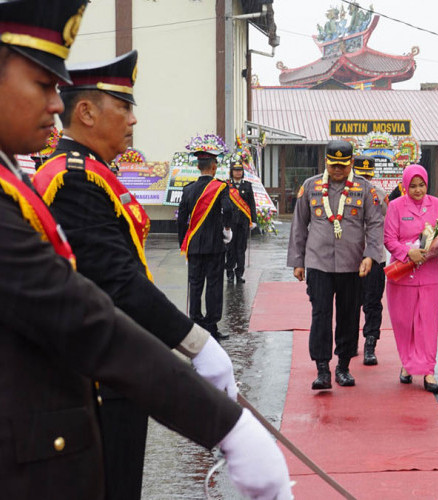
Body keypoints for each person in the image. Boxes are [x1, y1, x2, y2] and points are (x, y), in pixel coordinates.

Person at [0, 1, 290, 498]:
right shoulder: (69, 179)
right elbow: (101, 294)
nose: (55, 103)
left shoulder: (36, 176)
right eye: (44, 85)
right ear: (88, 113)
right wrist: (218, 411)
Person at [30, 50, 243, 499]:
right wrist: (197, 343)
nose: (133, 120)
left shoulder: (89, 172)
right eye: (124, 107)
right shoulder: (72, 180)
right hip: (96, 378)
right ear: (86, 112)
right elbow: (119, 282)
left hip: (112, 368)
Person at [287, 140, 384, 390]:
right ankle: (322, 369)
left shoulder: (364, 189)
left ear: (351, 162)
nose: (338, 169)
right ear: (326, 162)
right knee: (320, 314)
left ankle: (343, 367)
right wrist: (298, 261)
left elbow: (375, 225)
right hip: (318, 262)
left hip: (353, 264)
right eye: (333, 165)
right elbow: (299, 224)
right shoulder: (310, 187)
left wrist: (370, 256)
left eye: (343, 165)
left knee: (348, 315)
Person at [384, 164, 438, 393]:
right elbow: (389, 239)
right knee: (405, 323)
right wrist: (406, 252)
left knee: (428, 324)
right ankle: (408, 365)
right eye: (413, 186)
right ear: (405, 186)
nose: (418, 190)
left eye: (422, 185)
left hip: (430, 273)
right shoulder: (396, 206)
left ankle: (429, 370)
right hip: (402, 273)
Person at [178, 149, 233, 340]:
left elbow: (181, 220)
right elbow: (228, 209)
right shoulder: (220, 187)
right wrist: (227, 229)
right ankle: (211, 326)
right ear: (214, 166)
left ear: (197, 167)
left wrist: (182, 246)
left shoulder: (188, 189)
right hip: (215, 245)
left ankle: (194, 324)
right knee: (214, 285)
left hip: (193, 246)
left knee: (195, 285)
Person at [354, 155, 388, 365]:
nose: (365, 180)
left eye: (368, 176)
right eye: (361, 176)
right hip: (350, 256)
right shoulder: (343, 195)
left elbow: (389, 221)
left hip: (375, 256)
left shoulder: (381, 195)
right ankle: (348, 343)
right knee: (349, 303)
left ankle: (370, 343)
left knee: (373, 303)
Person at [225, 157, 256, 284]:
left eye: (240, 170)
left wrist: (253, 220)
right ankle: (230, 273)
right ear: (231, 172)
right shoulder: (226, 186)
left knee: (241, 248)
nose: (238, 172)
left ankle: (239, 273)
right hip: (230, 223)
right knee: (230, 249)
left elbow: (252, 204)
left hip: (243, 223)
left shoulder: (247, 186)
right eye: (235, 170)